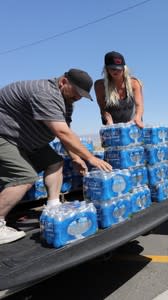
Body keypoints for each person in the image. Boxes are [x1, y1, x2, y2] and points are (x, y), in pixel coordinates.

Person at [0, 69, 113, 245]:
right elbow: (61, 131)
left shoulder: (66, 102)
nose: (78, 98)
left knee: (55, 162)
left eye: (81, 95)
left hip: (24, 142)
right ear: (63, 82)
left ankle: (53, 207)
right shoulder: (44, 93)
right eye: (76, 92)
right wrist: (90, 157)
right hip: (4, 137)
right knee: (24, 177)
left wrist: (75, 158)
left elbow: (66, 133)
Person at [94, 51, 144, 128]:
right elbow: (103, 109)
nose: (115, 71)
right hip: (112, 128)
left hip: (133, 126)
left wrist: (137, 118)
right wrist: (108, 120)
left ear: (124, 68)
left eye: (118, 69)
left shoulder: (134, 83)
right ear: (106, 69)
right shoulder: (100, 86)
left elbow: (139, 105)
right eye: (112, 68)